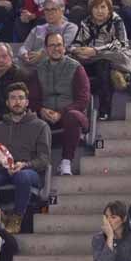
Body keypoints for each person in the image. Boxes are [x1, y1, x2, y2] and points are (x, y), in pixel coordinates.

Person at [0, 82, 50, 233]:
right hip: (2, 171)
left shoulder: (41, 126)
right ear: (7, 103)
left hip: (29, 172)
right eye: (13, 98)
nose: (17, 102)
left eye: (21, 98)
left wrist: (24, 165)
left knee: (22, 177)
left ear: (27, 102)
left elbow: (44, 159)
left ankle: (16, 218)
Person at [30, 31, 90, 177]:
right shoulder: (38, 69)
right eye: (51, 45)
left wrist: (61, 112)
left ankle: (66, 162)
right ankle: (35, 165)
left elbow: (83, 99)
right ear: (45, 49)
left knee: (72, 116)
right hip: (46, 114)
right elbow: (32, 99)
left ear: (64, 47)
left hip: (70, 114)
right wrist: (41, 109)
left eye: (59, 45)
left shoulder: (76, 68)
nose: (56, 48)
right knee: (28, 118)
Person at [71, 0, 131, 122]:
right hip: (92, 59)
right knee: (75, 66)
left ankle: (104, 110)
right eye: (96, 8)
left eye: (103, 7)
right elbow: (76, 43)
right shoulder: (86, 23)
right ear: (91, 10)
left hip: (115, 57)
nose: (99, 11)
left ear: (109, 9)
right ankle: (78, 109)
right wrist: (77, 50)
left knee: (103, 64)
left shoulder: (116, 21)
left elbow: (120, 44)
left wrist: (95, 50)